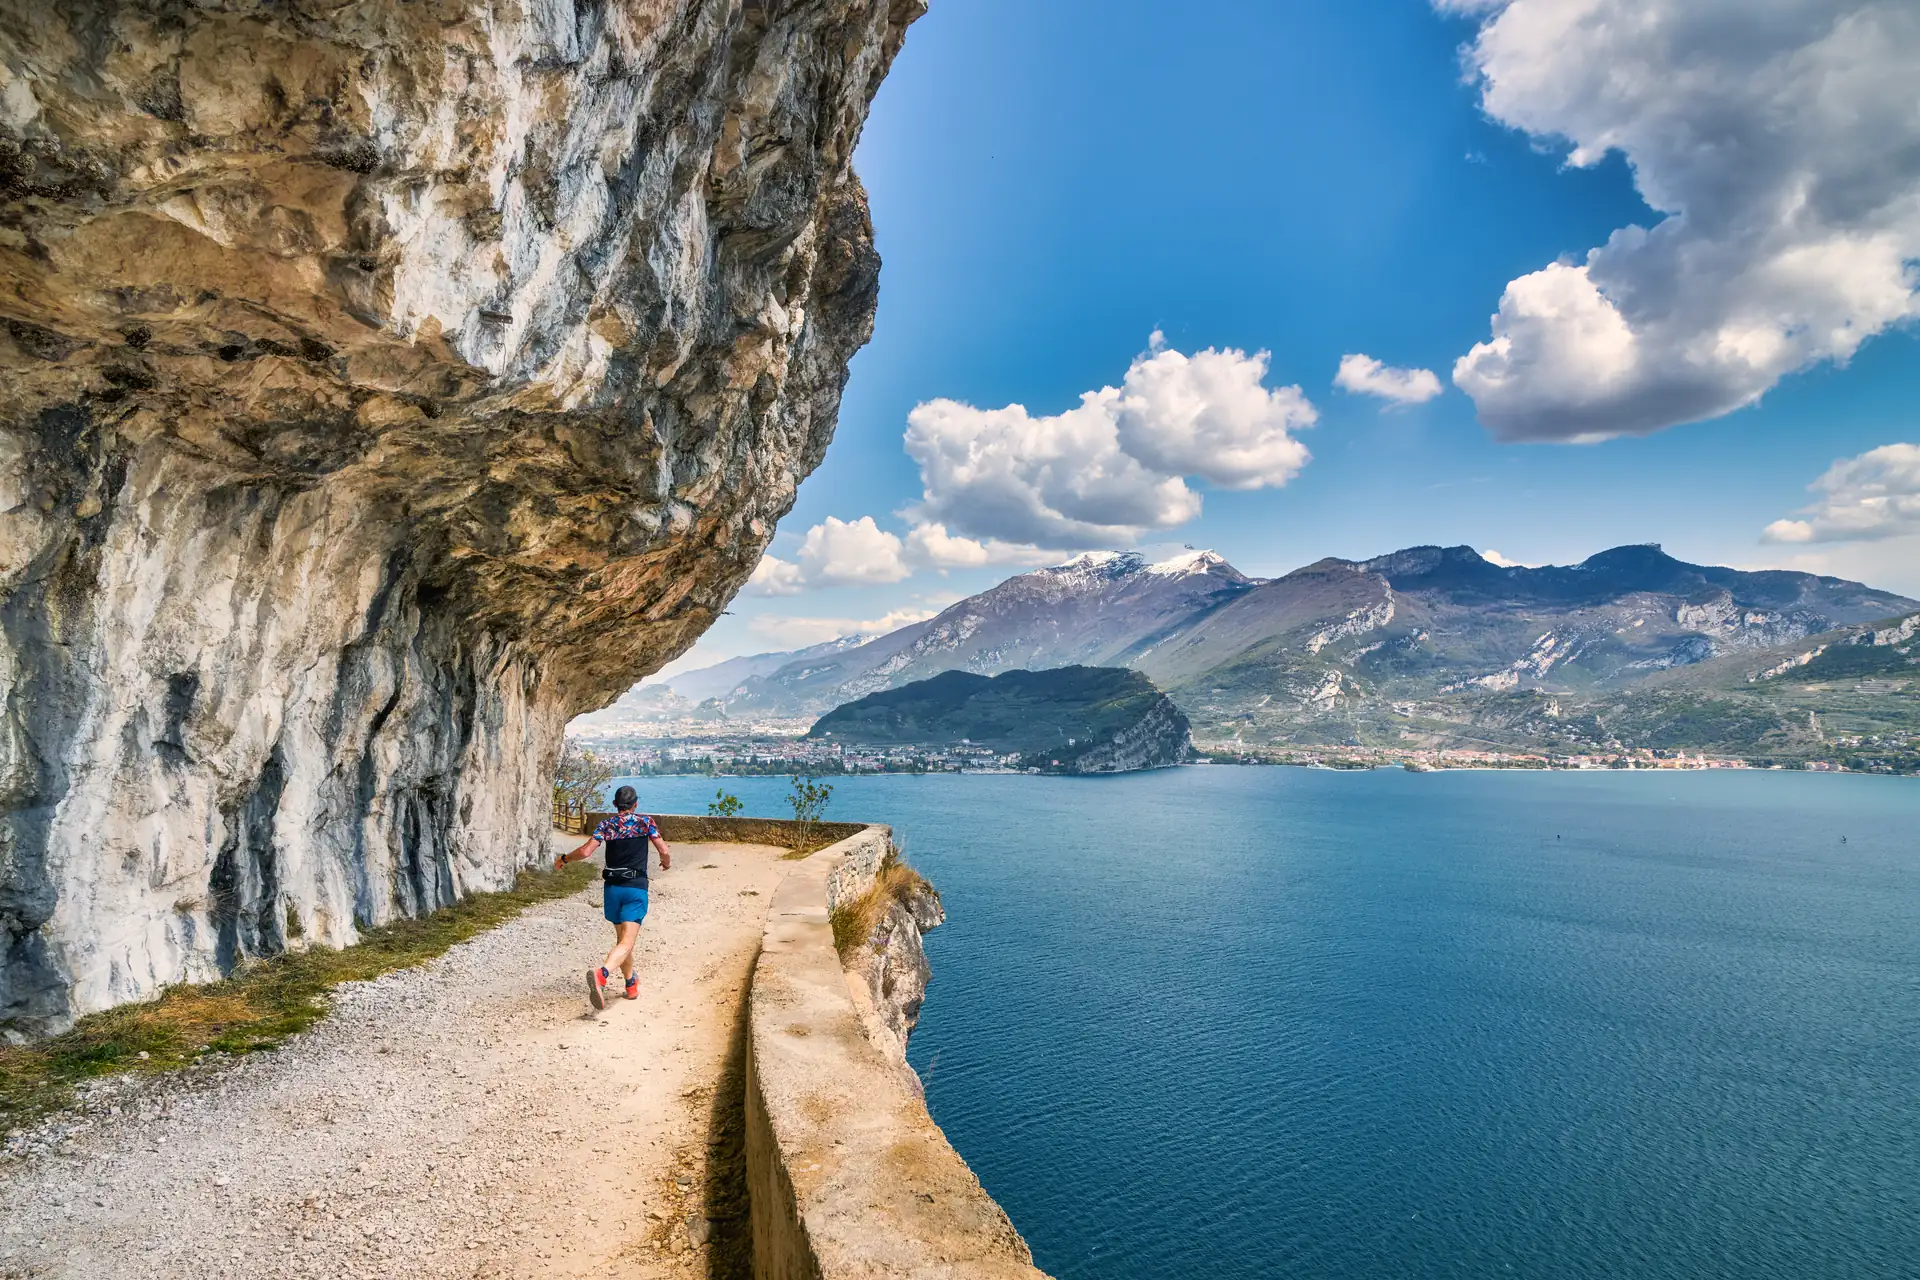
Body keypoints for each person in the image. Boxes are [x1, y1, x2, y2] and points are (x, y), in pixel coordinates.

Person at [555, 785, 672, 1009]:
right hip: (635, 887)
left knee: (622, 941)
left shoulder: (606, 825)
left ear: (615, 805)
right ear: (636, 804)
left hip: (612, 889)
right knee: (627, 942)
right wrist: (666, 864)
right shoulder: (645, 822)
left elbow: (586, 851)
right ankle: (602, 974)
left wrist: (564, 859)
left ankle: (630, 984)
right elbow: (663, 850)